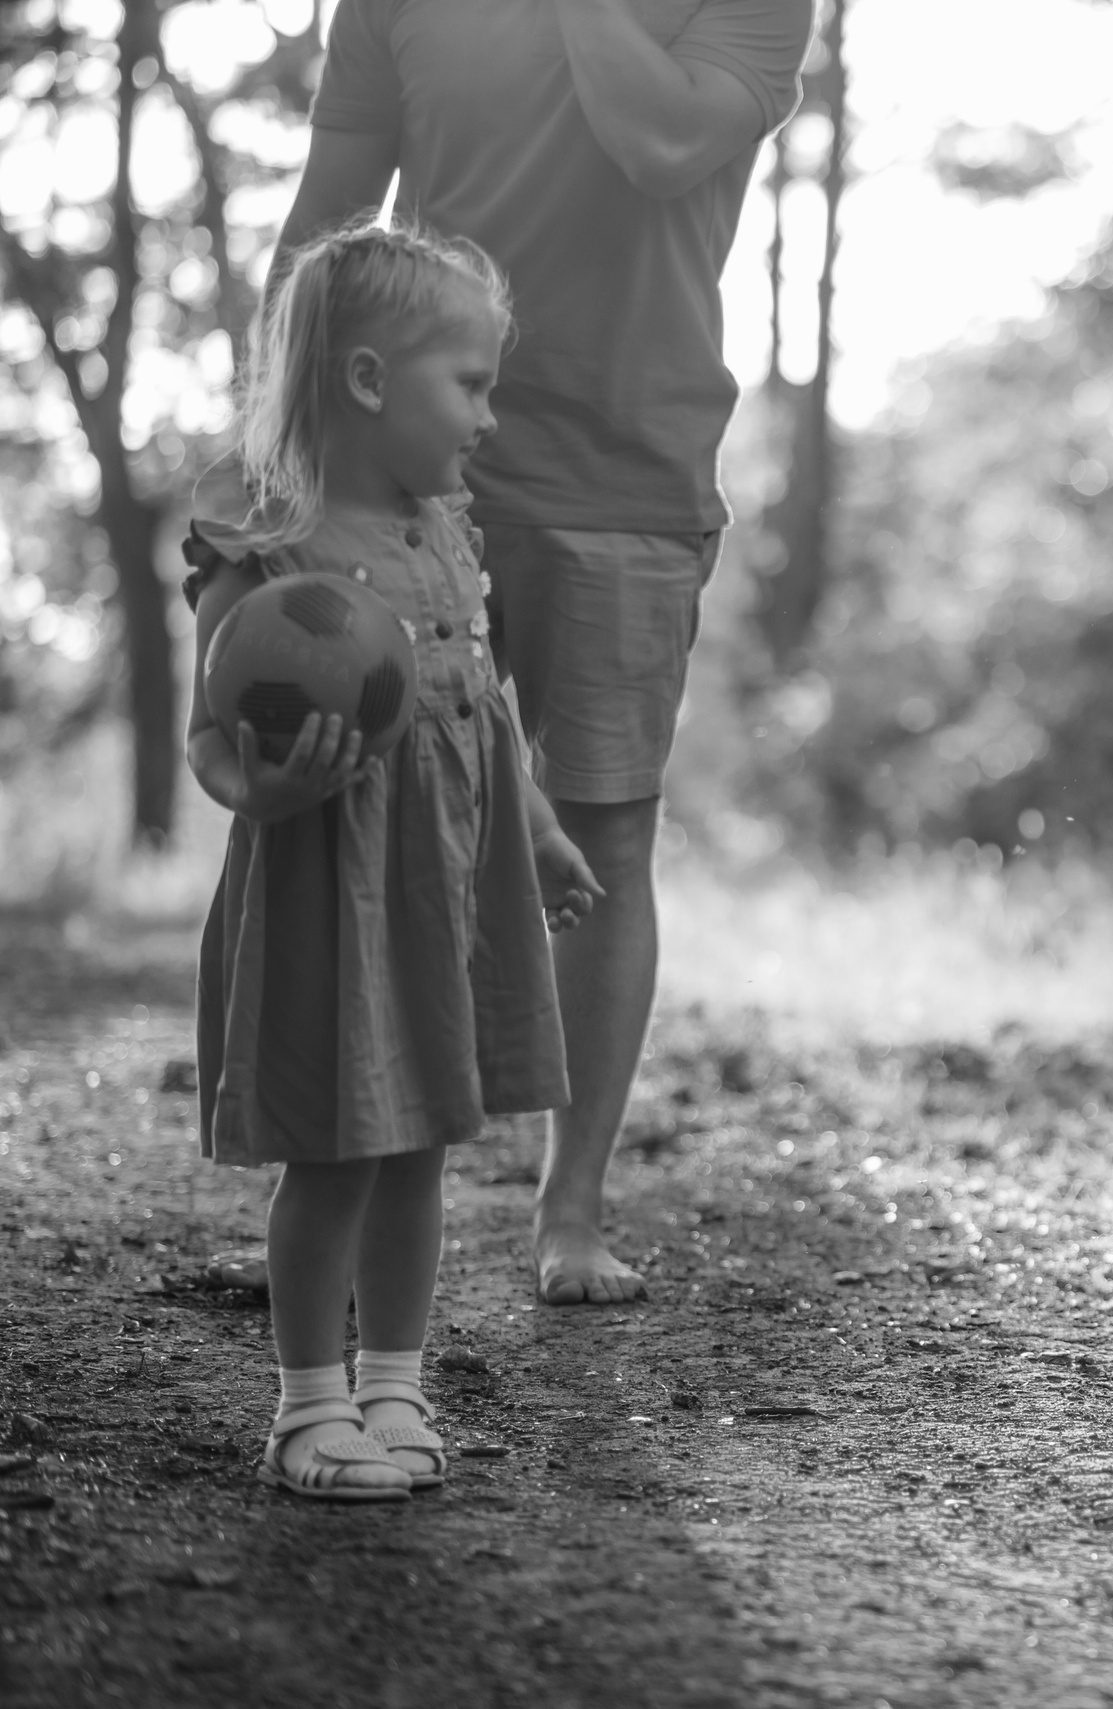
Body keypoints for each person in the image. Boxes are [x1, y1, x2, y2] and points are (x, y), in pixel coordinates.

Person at [271, 0, 817, 1304]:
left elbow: (661, 139)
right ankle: (342, 1184)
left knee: (605, 833)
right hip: (401, 462)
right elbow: (327, 223)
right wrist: (271, 449)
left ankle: (569, 1210)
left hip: (628, 464)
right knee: (361, 811)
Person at [185, 224, 600, 1500]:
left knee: (419, 1141)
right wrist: (268, 782)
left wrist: (533, 832)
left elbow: (481, 704)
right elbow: (213, 741)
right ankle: (309, 1406)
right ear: (368, 382)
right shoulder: (273, 552)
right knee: (337, 1149)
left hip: (445, 893)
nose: (486, 417)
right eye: (467, 385)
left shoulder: (447, 535)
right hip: (328, 896)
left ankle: (396, 1382)